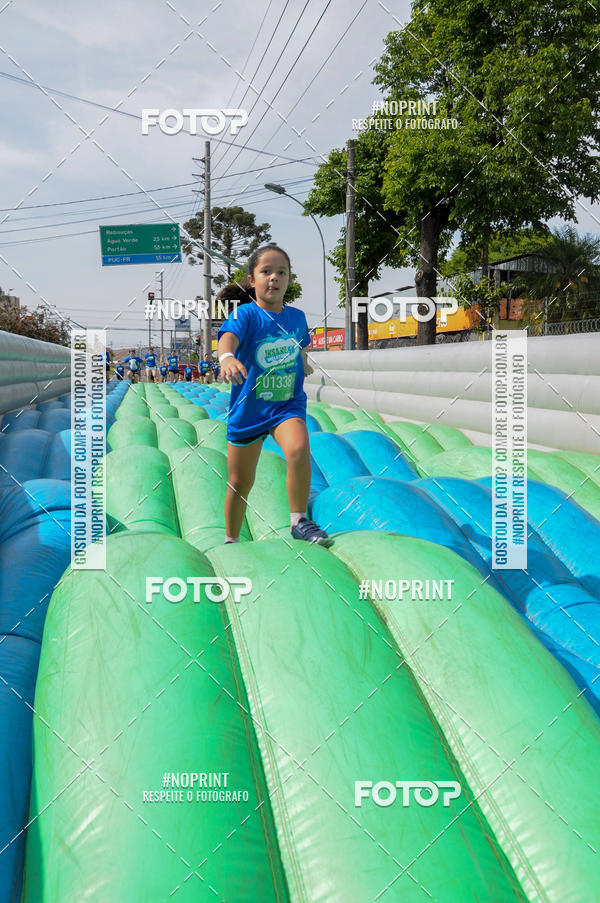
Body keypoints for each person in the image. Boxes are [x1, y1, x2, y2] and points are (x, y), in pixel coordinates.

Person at [217, 243, 331, 547]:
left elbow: (300, 346)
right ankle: (231, 539)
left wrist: (303, 364)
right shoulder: (245, 315)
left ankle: (298, 521)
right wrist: (226, 358)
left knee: (298, 448)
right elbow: (227, 340)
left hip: (286, 405)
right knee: (240, 482)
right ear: (252, 279)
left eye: (281, 272)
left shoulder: (297, 318)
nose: (274, 278)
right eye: (266, 271)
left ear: (288, 279)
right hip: (249, 410)